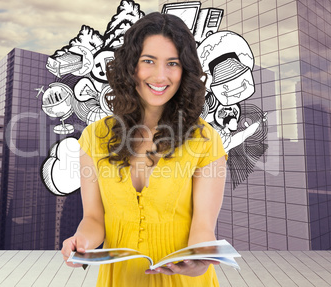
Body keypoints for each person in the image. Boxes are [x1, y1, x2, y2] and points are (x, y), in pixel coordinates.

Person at [61, 12, 228, 286]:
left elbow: (203, 227)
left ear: (184, 70)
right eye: (148, 61)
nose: (160, 75)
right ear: (131, 66)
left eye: (172, 63)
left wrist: (199, 261)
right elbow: (93, 218)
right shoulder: (95, 137)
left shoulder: (205, 139)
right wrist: (82, 242)